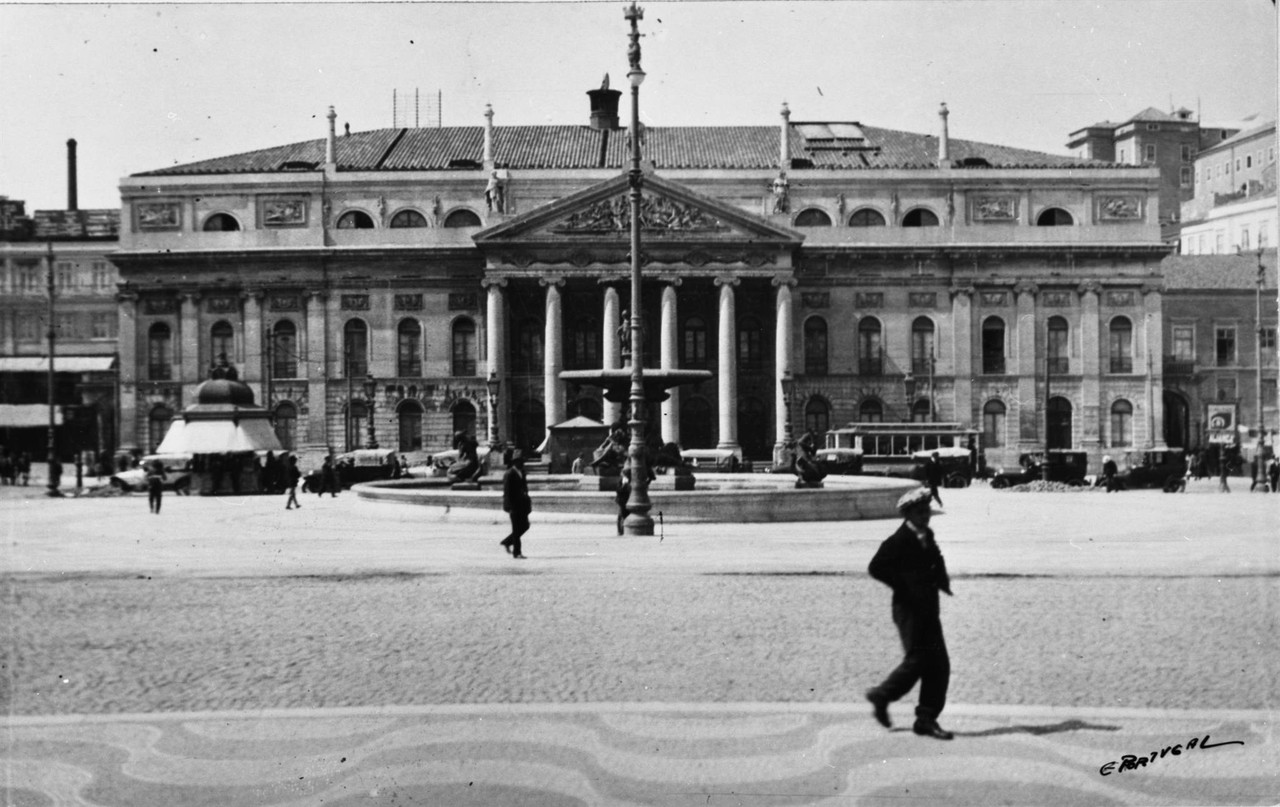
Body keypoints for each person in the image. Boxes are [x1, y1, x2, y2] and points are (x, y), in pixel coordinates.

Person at [865, 487, 955, 741]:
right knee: (918, 659)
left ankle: (926, 718)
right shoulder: (899, 540)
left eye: (926, 510)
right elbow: (876, 567)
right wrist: (904, 585)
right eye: (919, 512)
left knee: (939, 665)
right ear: (908, 514)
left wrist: (941, 581)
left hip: (928, 606)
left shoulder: (926, 534)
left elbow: (935, 559)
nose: (925, 515)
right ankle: (882, 694)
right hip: (908, 609)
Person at [500, 450, 530, 559]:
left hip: (522, 505)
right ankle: (517, 553)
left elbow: (525, 489)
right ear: (515, 462)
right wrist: (509, 507)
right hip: (514, 506)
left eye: (522, 461)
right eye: (519, 461)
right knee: (517, 529)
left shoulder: (522, 472)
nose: (522, 463)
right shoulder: (509, 474)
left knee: (525, 526)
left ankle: (507, 542)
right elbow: (507, 492)